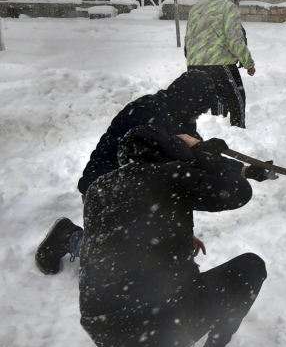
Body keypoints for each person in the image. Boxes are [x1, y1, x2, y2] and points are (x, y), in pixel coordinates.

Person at [79, 125, 270, 347]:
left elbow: (117, 236)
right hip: (163, 330)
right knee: (251, 267)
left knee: (129, 289)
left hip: (105, 333)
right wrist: (203, 154)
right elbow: (238, 191)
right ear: (166, 152)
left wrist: (174, 234)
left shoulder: (99, 189)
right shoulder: (169, 175)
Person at [35, 70, 218, 275]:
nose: (202, 114)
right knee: (123, 259)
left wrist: (181, 232)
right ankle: (67, 238)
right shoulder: (148, 115)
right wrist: (175, 232)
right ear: (189, 102)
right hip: (104, 191)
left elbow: (185, 173)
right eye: (200, 109)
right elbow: (161, 181)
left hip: (134, 190)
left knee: (153, 250)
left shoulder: (182, 118)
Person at [185, 0, 256, 129]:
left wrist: (195, 61)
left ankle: (216, 131)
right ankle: (238, 132)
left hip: (195, 65)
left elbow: (189, 39)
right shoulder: (228, 7)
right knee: (237, 100)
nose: (238, 3)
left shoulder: (196, 8)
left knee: (214, 100)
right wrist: (248, 62)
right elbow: (235, 39)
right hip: (220, 64)